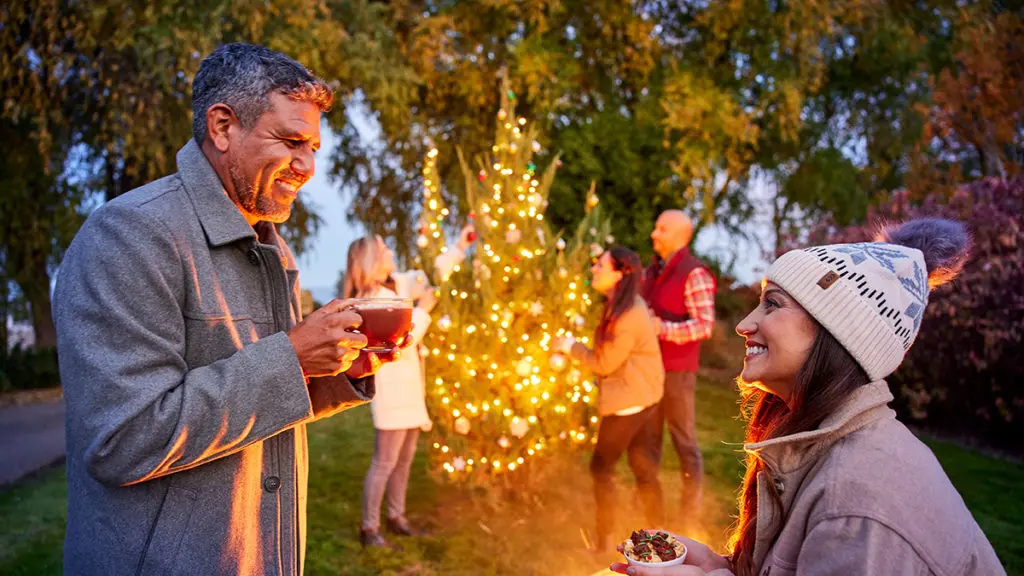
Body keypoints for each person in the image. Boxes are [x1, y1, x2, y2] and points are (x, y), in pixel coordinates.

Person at [52, 43, 410, 576]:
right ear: (222, 127)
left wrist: (340, 369)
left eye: (312, 146)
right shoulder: (129, 236)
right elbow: (121, 441)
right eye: (290, 141)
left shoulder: (272, 246)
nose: (307, 166)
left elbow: (264, 395)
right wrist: (291, 357)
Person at [611, 219, 1005, 576]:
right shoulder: (817, 443)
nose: (745, 325)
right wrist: (722, 568)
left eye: (773, 304)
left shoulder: (858, 508)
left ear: (836, 333)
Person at [347, 225, 474, 547]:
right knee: (385, 461)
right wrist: (424, 312)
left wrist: (458, 246)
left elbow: (429, 273)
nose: (391, 252)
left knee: (404, 460)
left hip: (410, 392)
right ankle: (369, 527)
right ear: (373, 260)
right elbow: (397, 344)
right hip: (391, 393)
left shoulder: (396, 286)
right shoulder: (369, 300)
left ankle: (397, 516)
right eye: (385, 249)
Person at [554, 246, 665, 554]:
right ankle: (663, 540)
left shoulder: (628, 315)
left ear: (619, 273)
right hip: (644, 396)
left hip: (630, 402)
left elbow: (604, 364)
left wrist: (569, 346)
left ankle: (604, 541)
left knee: (602, 468)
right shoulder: (622, 305)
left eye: (599, 264)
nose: (594, 269)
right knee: (644, 470)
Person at [643, 210, 716, 526]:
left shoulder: (694, 273)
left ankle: (689, 517)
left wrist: (660, 328)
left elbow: (704, 326)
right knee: (648, 442)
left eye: (661, 229)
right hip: (648, 371)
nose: (654, 234)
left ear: (679, 235)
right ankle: (650, 515)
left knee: (684, 442)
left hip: (677, 372)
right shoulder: (651, 271)